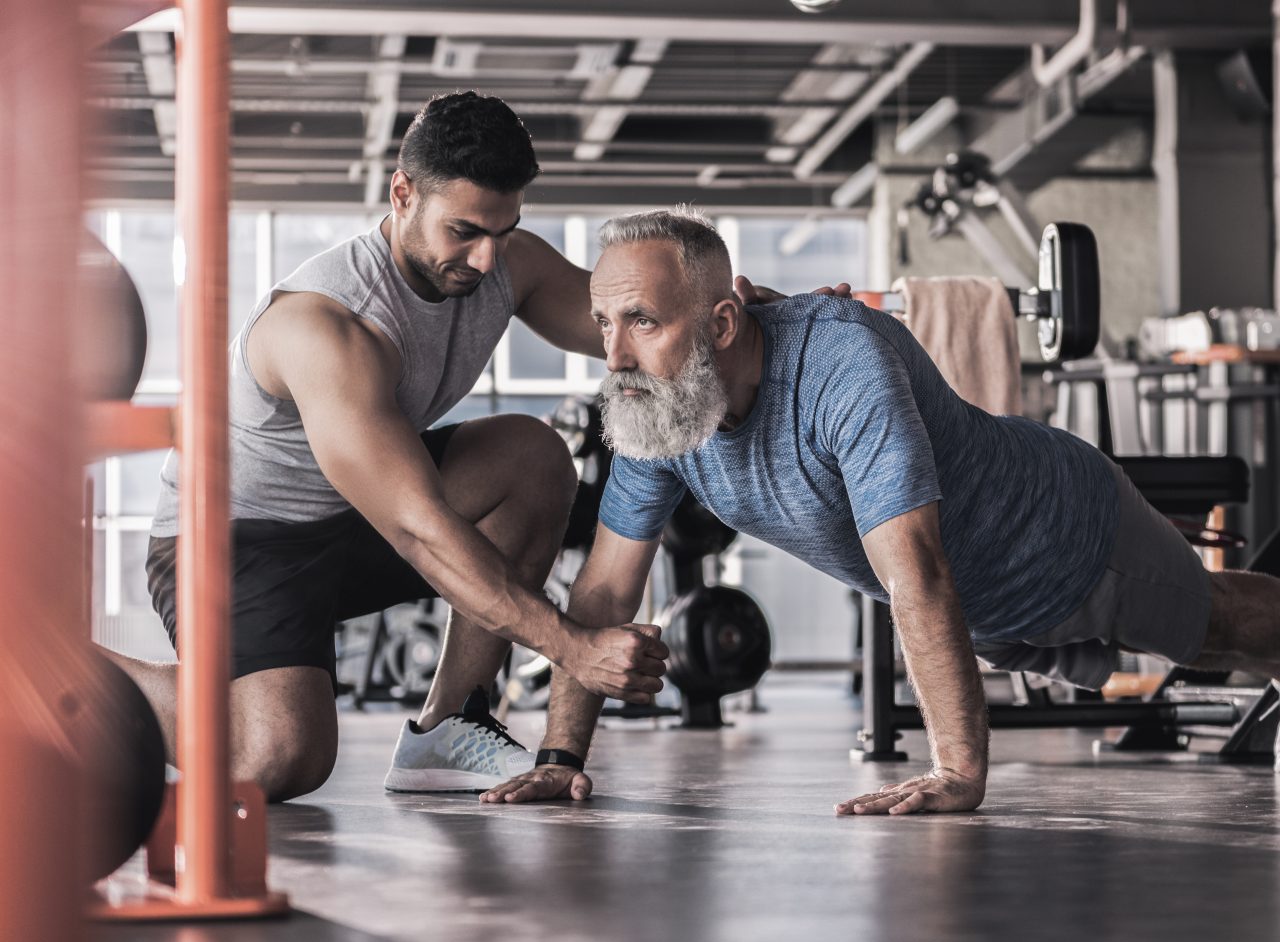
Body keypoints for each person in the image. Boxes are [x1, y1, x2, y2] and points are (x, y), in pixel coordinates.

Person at [478, 206, 1280, 817]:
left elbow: (913, 572)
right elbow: (602, 593)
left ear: (723, 321)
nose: (615, 353)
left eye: (641, 320)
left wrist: (960, 771)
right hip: (991, 608)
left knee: (1207, 631)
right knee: (1189, 650)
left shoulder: (843, 363)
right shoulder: (658, 417)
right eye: (604, 323)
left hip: (1059, 532)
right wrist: (561, 754)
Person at [105, 94, 806, 802]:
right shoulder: (326, 327)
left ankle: (446, 729)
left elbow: (646, 325)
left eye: (504, 231)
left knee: (531, 457)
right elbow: (416, 528)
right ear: (402, 194)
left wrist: (768, 321)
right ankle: (69, 667)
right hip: (234, 543)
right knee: (280, 759)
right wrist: (573, 647)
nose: (485, 258)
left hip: (348, 526)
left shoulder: (504, 263)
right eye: (464, 231)